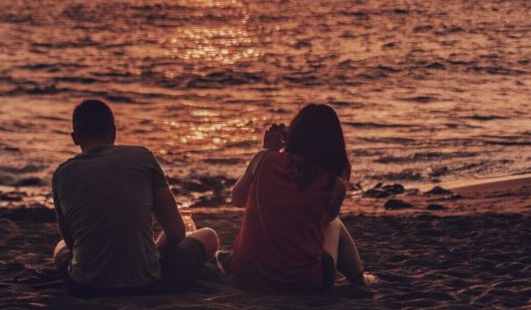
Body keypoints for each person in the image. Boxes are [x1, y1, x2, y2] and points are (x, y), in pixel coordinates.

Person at [51, 99, 219, 297]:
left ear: (75, 138)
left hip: (85, 288)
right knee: (208, 236)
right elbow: (175, 233)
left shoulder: (61, 174)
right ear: (114, 131)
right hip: (147, 284)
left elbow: (72, 244)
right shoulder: (142, 157)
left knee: (60, 247)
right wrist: (154, 255)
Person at [222, 103, 374, 293]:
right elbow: (324, 220)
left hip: (246, 276)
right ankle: (359, 278)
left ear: (294, 134)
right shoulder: (334, 184)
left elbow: (237, 199)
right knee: (333, 223)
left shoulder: (263, 159)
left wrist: (268, 150)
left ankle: (360, 277)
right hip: (304, 283)